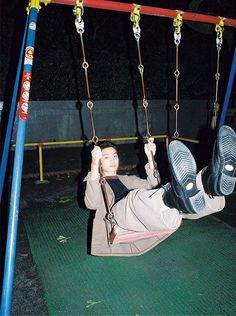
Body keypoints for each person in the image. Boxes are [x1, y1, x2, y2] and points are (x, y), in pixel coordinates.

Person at [84, 125, 236, 256]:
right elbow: (91, 203)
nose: (113, 160)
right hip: (118, 218)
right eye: (106, 157)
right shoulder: (96, 181)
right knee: (135, 198)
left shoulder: (126, 179)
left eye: (115, 156)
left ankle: (211, 183)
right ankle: (177, 195)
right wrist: (93, 166)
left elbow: (153, 185)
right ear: (98, 161)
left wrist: (150, 157)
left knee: (171, 198)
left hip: (144, 215)